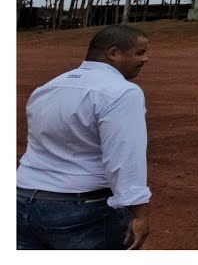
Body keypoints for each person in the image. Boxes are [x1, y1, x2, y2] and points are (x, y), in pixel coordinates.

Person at [17, 24, 153, 250]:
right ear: (113, 53)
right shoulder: (122, 92)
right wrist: (139, 213)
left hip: (21, 202)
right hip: (81, 211)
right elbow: (124, 158)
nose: (145, 59)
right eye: (139, 52)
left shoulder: (48, 87)